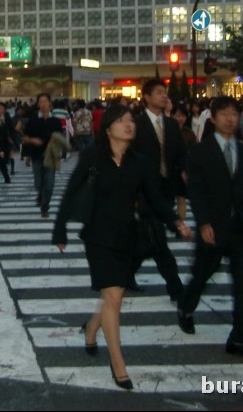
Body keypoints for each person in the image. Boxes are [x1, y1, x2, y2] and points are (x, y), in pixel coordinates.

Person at [52, 105, 190, 391]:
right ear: (108, 128)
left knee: (113, 296)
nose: (129, 125)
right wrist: (60, 227)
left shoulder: (140, 162)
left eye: (131, 121)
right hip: (98, 237)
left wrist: (175, 221)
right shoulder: (93, 156)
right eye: (122, 120)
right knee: (114, 297)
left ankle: (92, 328)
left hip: (127, 235)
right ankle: (118, 364)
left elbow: (154, 197)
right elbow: (72, 191)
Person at [177, 97, 243, 361]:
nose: (230, 119)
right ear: (212, 118)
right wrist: (203, 223)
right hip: (212, 227)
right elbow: (196, 190)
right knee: (202, 274)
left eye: (234, 114)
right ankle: (186, 306)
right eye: (224, 114)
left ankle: (241, 338)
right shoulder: (201, 151)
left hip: (239, 229)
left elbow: (241, 192)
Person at [130, 78, 188, 297]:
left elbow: (181, 153)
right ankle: (175, 287)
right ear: (146, 97)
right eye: (158, 92)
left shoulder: (172, 124)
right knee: (158, 239)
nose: (164, 96)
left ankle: (126, 272)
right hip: (144, 191)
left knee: (149, 239)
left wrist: (184, 170)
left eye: (165, 92)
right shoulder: (136, 124)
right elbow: (130, 159)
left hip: (166, 189)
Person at [23, 93, 63, 218]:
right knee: (38, 182)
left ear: (50, 103)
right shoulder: (33, 120)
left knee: (50, 184)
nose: (43, 104)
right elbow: (25, 137)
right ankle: (41, 194)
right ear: (38, 104)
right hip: (36, 155)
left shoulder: (55, 121)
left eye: (45, 101)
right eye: (40, 101)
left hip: (51, 156)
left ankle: (45, 207)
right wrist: (32, 142)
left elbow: (61, 138)